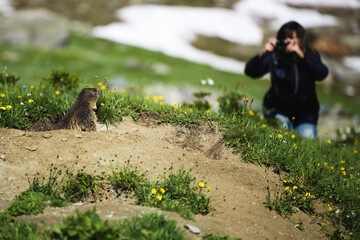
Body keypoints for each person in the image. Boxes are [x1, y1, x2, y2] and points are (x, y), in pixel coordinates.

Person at [245, 21, 329, 138]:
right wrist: (263, 52)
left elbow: (322, 73)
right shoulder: (275, 56)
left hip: (305, 114)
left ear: (300, 40)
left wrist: (301, 55)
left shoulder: (309, 55)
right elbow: (251, 71)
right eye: (285, 38)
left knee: (307, 138)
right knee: (280, 131)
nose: (288, 42)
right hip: (277, 110)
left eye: (292, 38)